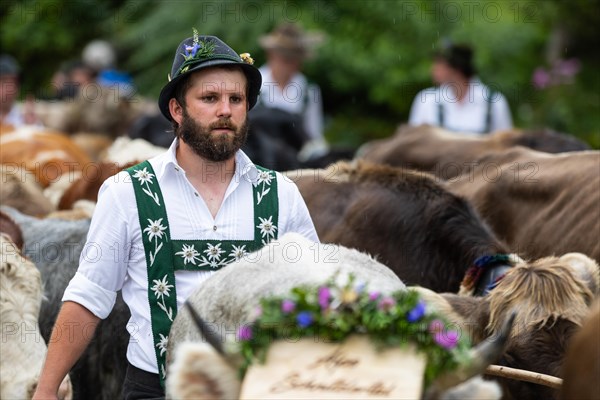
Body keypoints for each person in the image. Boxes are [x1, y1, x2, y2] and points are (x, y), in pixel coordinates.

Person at [33, 31, 319, 400]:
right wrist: (45, 389)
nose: (225, 110)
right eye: (210, 98)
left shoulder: (281, 194)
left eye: (236, 99)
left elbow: (314, 294)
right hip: (154, 389)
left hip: (258, 388)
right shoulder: (128, 192)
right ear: (177, 109)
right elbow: (90, 295)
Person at [251, 23, 327, 164]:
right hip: (258, 159)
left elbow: (314, 134)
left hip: (295, 162)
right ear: (271, 54)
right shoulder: (253, 84)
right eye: (286, 59)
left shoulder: (308, 90)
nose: (291, 65)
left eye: (295, 59)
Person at [408, 44, 513, 134]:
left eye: (439, 64)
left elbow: (505, 146)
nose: (432, 69)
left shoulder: (494, 102)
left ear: (457, 69)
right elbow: (412, 146)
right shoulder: (426, 100)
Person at [0, 54, 40, 127]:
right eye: (4, 81)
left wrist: (31, 127)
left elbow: (42, 135)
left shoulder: (25, 117)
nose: (10, 88)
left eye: (14, 82)